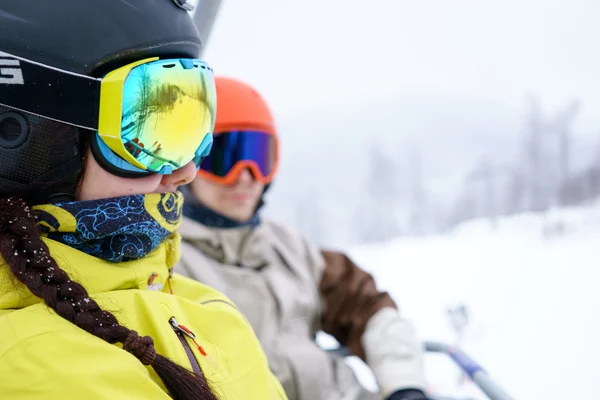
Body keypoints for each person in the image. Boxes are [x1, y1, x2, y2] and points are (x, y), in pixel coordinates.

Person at [0, 3, 286, 399]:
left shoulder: (202, 303)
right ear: (23, 139)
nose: (186, 171)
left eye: (193, 124)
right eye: (151, 130)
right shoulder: (34, 364)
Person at [178, 77, 430, 400]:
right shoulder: (166, 262)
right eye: (224, 156)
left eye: (258, 157)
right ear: (188, 162)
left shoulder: (290, 246)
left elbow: (369, 309)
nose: (244, 175)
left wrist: (404, 384)